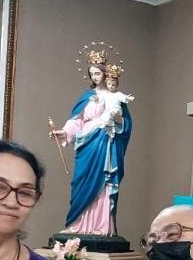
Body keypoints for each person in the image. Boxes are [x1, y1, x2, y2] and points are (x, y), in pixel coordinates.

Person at [51, 57, 132, 236]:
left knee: (104, 181)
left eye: (98, 73)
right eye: (92, 74)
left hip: (105, 141)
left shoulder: (115, 96)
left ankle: (102, 226)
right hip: (86, 143)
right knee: (81, 181)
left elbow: (126, 124)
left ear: (105, 73)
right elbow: (77, 120)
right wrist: (64, 133)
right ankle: (78, 224)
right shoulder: (87, 97)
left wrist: (114, 122)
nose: (95, 77)